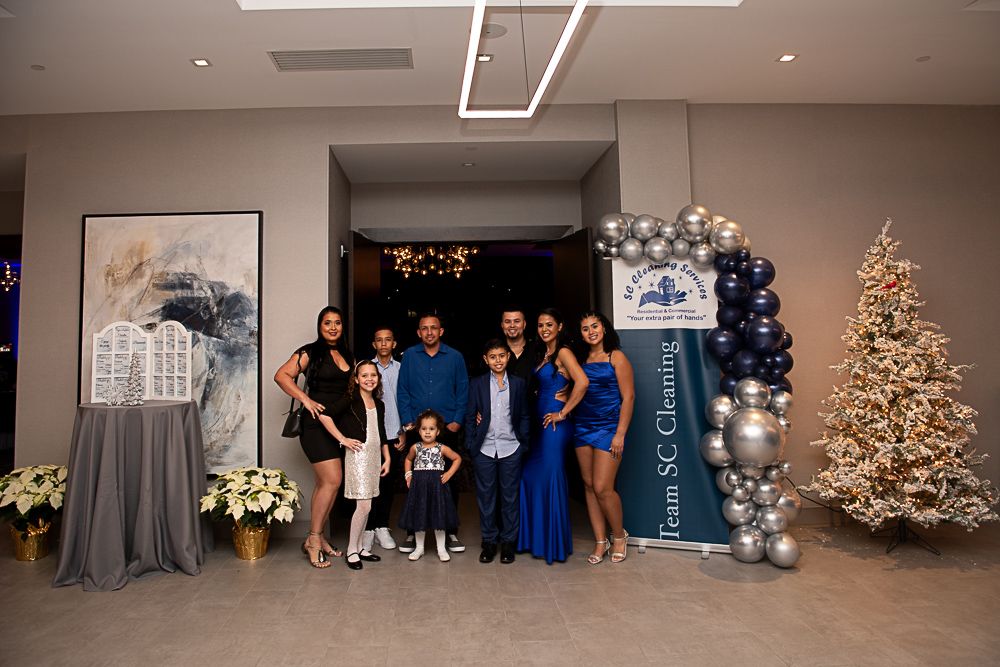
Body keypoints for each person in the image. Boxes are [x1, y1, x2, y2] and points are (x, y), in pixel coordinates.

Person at [274, 306, 354, 568]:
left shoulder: (346, 354)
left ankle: (318, 537)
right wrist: (305, 399)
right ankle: (313, 539)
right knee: (332, 480)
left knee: (327, 484)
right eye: (327, 323)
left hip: (335, 425)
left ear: (343, 326)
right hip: (314, 425)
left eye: (337, 323)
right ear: (319, 326)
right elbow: (281, 375)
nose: (333, 327)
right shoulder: (310, 351)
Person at [517, 308, 588, 564]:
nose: (544, 329)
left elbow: (582, 382)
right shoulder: (543, 353)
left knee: (551, 478)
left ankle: (553, 544)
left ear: (559, 326)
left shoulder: (564, 352)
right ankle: (536, 540)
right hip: (540, 425)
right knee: (529, 477)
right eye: (540, 325)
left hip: (555, 426)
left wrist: (564, 412)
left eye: (549, 324)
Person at [396, 313, 469, 554]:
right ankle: (411, 532)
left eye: (433, 328)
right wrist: (408, 422)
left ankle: (450, 532)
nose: (429, 332)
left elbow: (463, 390)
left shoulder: (455, 357)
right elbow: (403, 390)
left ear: (441, 331)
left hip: (446, 428)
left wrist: (457, 420)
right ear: (418, 332)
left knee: (448, 481)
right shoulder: (409, 357)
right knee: (415, 482)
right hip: (418, 429)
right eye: (424, 328)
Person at [318, 360, 392, 570]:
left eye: (373, 375)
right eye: (365, 375)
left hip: (374, 456)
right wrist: (343, 439)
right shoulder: (350, 399)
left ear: (378, 379)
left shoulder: (379, 403)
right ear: (357, 379)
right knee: (364, 505)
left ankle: (360, 548)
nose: (369, 379)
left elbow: (382, 432)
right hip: (358, 456)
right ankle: (352, 549)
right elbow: (324, 415)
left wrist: (386, 457)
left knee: (369, 503)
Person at [574, 311, 635, 564]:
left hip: (609, 427)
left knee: (602, 487)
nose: (591, 331)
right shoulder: (581, 359)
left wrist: (620, 434)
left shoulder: (616, 357)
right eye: (585, 328)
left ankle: (619, 535)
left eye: (595, 326)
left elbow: (629, 397)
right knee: (588, 486)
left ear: (604, 328)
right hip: (582, 426)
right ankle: (601, 541)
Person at [466, 339, 531, 564]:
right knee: (486, 498)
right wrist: (470, 444)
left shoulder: (519, 384)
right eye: (492, 357)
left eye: (502, 356)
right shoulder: (477, 383)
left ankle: (508, 543)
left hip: (510, 447)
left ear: (508, 357)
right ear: (486, 360)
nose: (498, 360)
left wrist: (522, 444)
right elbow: (470, 416)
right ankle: (489, 542)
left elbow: (523, 414)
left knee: (510, 498)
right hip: (484, 449)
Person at [398, 409, 462, 562]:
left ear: (438, 431)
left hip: (437, 488)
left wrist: (448, 474)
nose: (427, 432)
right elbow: (408, 460)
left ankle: (441, 548)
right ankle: (419, 548)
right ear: (419, 431)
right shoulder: (415, 448)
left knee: (439, 516)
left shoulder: (442, 448)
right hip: (419, 488)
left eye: (431, 429)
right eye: (424, 429)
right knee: (420, 516)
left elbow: (457, 458)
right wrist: (408, 475)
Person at [361, 326, 404, 553]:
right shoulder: (365, 369)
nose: (384, 344)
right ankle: (367, 529)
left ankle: (382, 526)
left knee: (387, 483)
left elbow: (404, 401)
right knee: (369, 483)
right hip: (370, 435)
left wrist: (403, 430)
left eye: (388, 340)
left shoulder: (402, 369)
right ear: (374, 344)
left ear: (394, 344)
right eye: (379, 340)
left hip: (393, 434)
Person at [500, 307, 535, 383]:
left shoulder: (537, 351)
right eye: (507, 321)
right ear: (502, 325)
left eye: (517, 321)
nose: (512, 325)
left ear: (524, 324)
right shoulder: (494, 352)